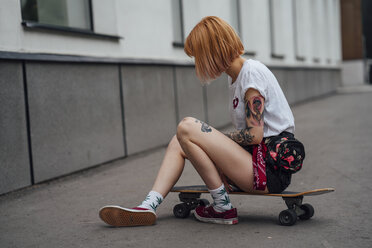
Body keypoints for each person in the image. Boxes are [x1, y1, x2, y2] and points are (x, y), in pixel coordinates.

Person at [99, 16, 297, 226]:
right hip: (253, 163)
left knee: (187, 126)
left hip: (268, 170)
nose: (198, 63)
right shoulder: (236, 78)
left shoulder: (252, 73)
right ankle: (148, 206)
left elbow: (254, 135)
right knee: (179, 139)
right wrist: (212, 142)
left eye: (198, 56)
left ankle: (222, 207)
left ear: (212, 51)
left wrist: (212, 138)